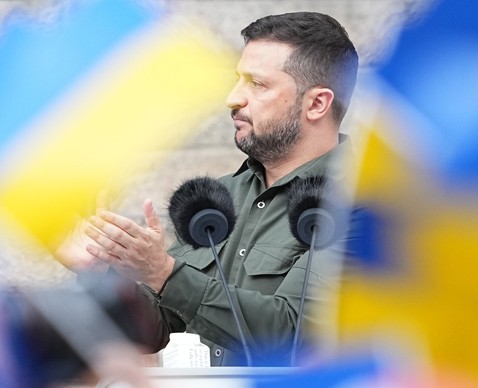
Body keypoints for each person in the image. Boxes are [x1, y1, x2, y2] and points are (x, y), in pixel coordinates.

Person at [57, 11, 358, 366]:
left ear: (317, 103)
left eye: (257, 84)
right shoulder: (216, 200)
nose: (233, 98)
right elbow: (156, 327)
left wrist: (164, 273)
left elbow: (292, 333)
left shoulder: (362, 203)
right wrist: (99, 271)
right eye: (237, 81)